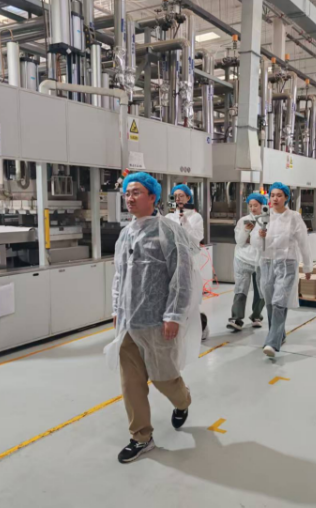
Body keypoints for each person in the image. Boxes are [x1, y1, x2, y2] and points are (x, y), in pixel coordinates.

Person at [104, 172, 202, 463]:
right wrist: (116, 308)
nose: (129, 198)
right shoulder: (126, 233)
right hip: (128, 323)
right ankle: (141, 437)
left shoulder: (168, 231)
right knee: (130, 384)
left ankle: (183, 400)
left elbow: (182, 276)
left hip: (157, 321)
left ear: (152, 197)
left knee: (164, 379)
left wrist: (174, 315)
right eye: (127, 193)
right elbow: (119, 275)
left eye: (136, 192)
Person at [251, 182, 313, 358]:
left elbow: (304, 243)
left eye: (279, 195)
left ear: (286, 197)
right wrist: (259, 236)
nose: (275, 198)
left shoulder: (294, 217)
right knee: (270, 301)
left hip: (287, 264)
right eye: (272, 195)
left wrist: (308, 266)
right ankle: (279, 334)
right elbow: (254, 242)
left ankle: (272, 342)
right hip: (266, 263)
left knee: (279, 300)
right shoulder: (264, 216)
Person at [165, 184, 209, 340]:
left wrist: (186, 224)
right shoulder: (169, 217)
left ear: (188, 198)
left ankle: (201, 327)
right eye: (175, 196)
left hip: (190, 262)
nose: (178, 199)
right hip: (172, 261)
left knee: (190, 298)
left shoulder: (196, 217)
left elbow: (197, 238)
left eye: (181, 196)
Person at [227, 193, 267, 332]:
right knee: (240, 289)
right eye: (250, 205)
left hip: (261, 260)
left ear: (262, 205)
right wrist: (246, 231)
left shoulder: (267, 220)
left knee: (261, 290)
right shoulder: (243, 220)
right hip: (242, 259)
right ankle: (236, 318)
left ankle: (256, 316)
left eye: (255, 205)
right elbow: (239, 241)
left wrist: (261, 237)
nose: (253, 208)